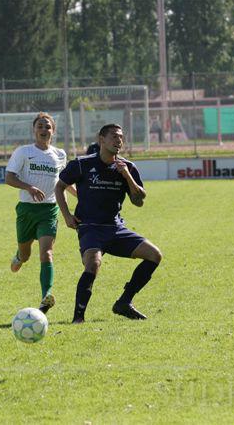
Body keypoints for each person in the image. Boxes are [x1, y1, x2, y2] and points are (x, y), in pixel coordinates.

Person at [55, 123, 162, 323]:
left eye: (121, 137)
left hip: (116, 228)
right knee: (93, 263)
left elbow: (138, 201)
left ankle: (124, 302)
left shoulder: (127, 167)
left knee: (154, 255)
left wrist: (127, 176)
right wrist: (67, 216)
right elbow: (60, 186)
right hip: (90, 227)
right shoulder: (81, 164)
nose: (118, 140)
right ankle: (78, 318)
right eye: (114, 136)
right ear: (101, 140)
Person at [5, 112, 76, 314]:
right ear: (34, 130)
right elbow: (9, 178)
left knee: (46, 253)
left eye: (48, 127)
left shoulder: (60, 155)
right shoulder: (23, 152)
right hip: (27, 210)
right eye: (40, 126)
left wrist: (80, 195)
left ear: (53, 131)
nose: (44, 130)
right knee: (26, 255)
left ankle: (46, 296)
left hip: (49, 210)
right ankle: (19, 256)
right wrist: (29, 187)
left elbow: (63, 183)